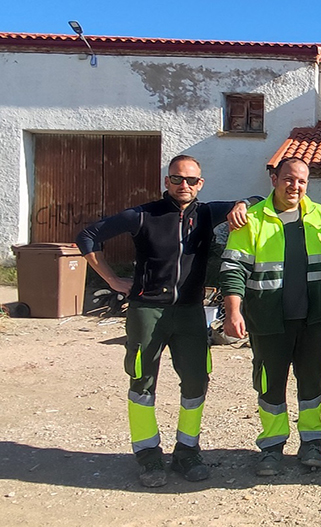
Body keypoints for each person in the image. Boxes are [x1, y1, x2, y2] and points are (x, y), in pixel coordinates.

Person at [76, 154, 249, 487]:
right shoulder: (143, 215)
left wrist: (241, 203)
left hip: (189, 313)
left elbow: (254, 202)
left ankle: (187, 451)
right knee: (142, 382)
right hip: (146, 311)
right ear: (166, 181)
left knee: (197, 380)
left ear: (201, 183)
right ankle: (148, 456)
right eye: (176, 179)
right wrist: (113, 280)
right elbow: (87, 236)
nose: (184, 185)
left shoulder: (208, 212)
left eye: (191, 180)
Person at [220, 157, 321, 477]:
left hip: (312, 319)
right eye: (289, 179)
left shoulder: (319, 215)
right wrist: (233, 311)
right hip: (268, 320)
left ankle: (312, 442)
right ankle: (272, 448)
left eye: (302, 181)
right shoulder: (252, 218)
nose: (296, 186)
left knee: (312, 381)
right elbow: (234, 268)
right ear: (275, 179)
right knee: (270, 384)